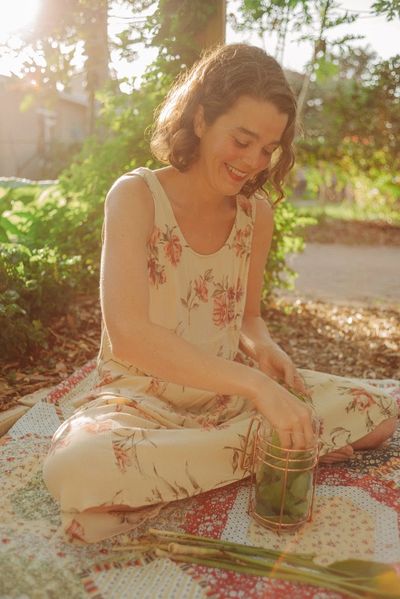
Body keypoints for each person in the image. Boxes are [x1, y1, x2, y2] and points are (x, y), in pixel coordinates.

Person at [43, 43, 398, 544]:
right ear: (202, 119)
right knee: (78, 468)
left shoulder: (258, 217)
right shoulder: (136, 196)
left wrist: (266, 352)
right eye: (243, 139)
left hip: (227, 400)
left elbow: (248, 319)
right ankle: (271, 453)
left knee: (378, 410)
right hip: (138, 401)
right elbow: (128, 337)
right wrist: (260, 389)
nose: (254, 162)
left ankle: (215, 462)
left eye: (268, 148)